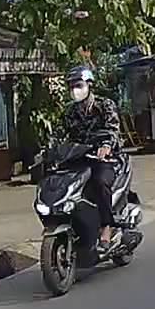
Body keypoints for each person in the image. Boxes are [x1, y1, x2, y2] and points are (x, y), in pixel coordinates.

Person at [62, 66, 122, 248]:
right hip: (79, 158)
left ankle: (106, 226)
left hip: (104, 159)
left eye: (78, 85)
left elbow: (113, 129)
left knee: (100, 183)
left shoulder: (105, 105)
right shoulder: (69, 112)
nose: (75, 90)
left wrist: (106, 146)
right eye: (71, 87)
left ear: (89, 85)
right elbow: (60, 136)